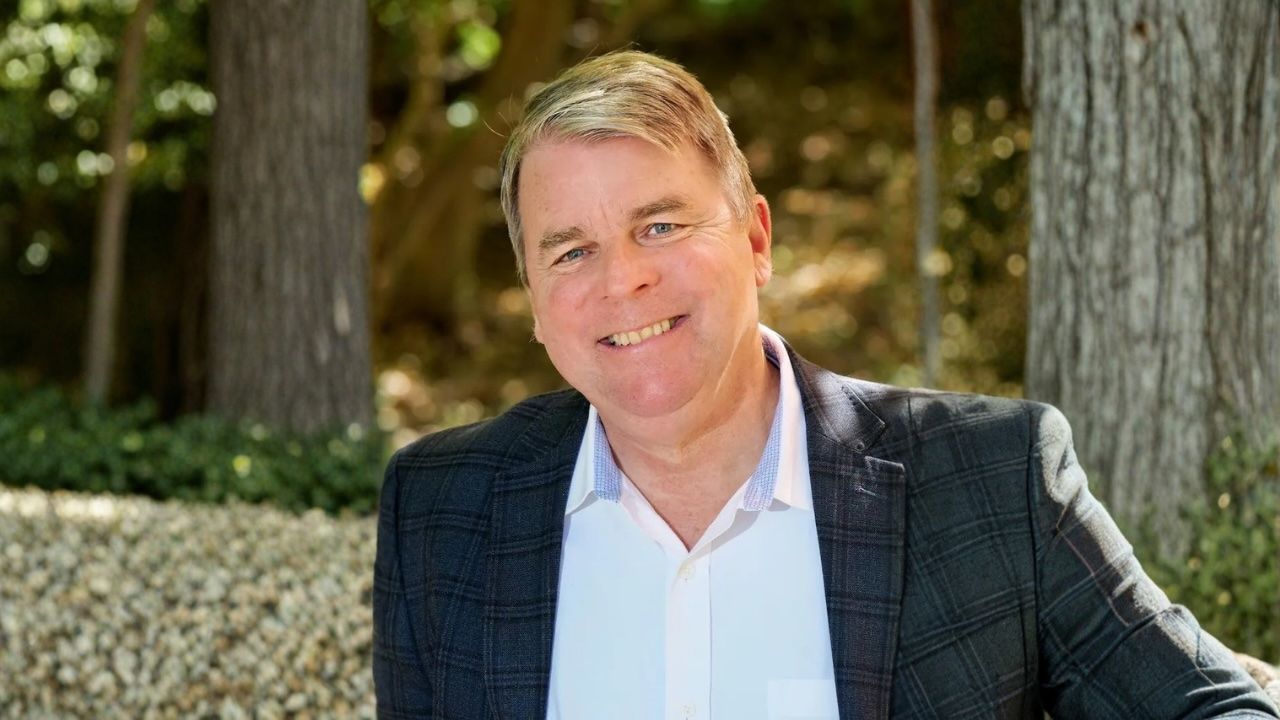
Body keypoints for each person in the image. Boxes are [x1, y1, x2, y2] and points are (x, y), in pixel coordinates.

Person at [372, 50, 1279, 719]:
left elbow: (1211, 709)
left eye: (660, 227)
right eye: (572, 251)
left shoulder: (993, 479)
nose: (624, 280)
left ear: (756, 240)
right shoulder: (440, 510)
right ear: (534, 302)